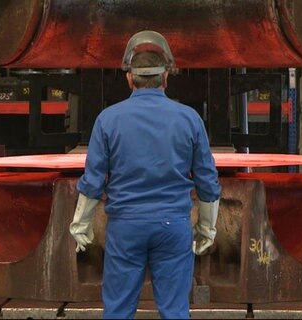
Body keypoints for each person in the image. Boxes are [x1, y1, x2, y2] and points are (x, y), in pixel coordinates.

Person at [69, 30, 221, 319]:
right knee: (175, 311)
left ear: (129, 78)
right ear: (165, 78)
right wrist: (206, 228)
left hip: (126, 228)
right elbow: (207, 181)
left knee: (117, 311)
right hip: (172, 227)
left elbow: (93, 180)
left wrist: (81, 224)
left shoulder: (108, 120)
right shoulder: (189, 118)